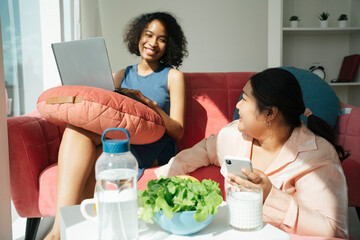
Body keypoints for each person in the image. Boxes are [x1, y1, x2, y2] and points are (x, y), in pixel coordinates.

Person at [155, 68, 349, 238]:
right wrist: (165, 182)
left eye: (245, 99)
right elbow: (205, 149)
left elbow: (334, 230)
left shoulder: (316, 157)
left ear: (270, 113)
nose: (237, 106)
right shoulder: (233, 136)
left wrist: (269, 195)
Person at [45, 11, 188, 240]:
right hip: (119, 140)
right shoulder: (122, 74)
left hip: (154, 147)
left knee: (100, 154)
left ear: (169, 44)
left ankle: (61, 233)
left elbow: (178, 131)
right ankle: (61, 229)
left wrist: (150, 104)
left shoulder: (173, 76)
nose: (153, 43)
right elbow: (108, 115)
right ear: (138, 37)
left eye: (161, 39)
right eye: (148, 35)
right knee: (77, 133)